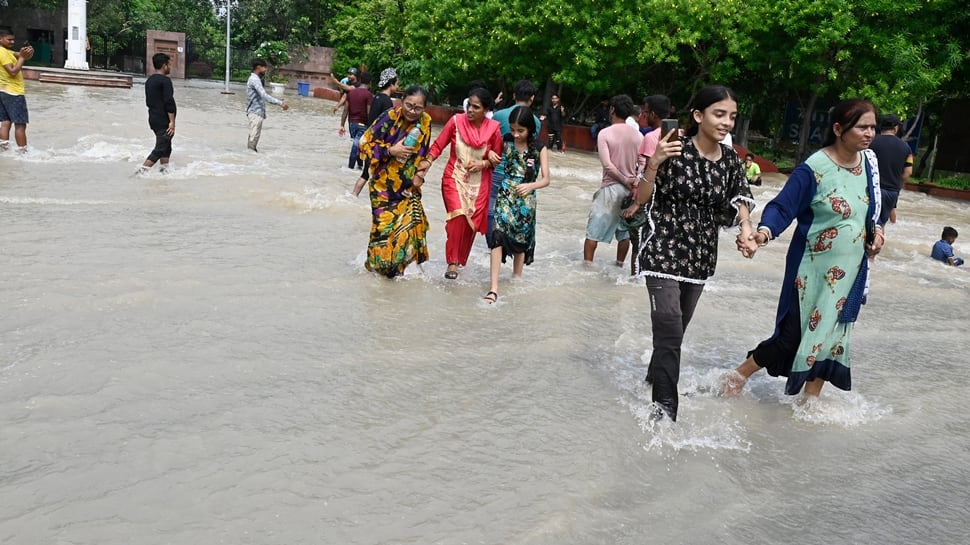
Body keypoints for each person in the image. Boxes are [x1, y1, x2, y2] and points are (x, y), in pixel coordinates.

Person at [724, 98, 885, 402]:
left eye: (873, 127)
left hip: (850, 272)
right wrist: (761, 235)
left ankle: (809, 404)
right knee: (790, 337)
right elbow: (783, 207)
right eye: (862, 127)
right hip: (810, 270)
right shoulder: (814, 168)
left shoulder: (868, 164)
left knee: (833, 336)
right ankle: (737, 375)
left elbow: (870, 211)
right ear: (838, 129)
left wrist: (876, 233)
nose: (869, 133)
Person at [634, 84, 757, 421]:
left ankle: (651, 377)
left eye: (732, 116)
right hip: (662, 249)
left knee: (676, 330)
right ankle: (664, 413)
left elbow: (741, 200)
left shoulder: (731, 160)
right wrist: (654, 163)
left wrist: (747, 231)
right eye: (719, 114)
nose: (727, 122)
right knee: (670, 327)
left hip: (700, 257)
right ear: (699, 116)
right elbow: (642, 198)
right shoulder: (673, 149)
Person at [418, 87, 503, 280]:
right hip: (454, 177)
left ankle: (461, 262)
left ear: (486, 110)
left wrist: (484, 161)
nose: (470, 110)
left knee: (469, 224)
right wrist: (426, 164)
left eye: (476, 107)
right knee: (457, 216)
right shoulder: (456, 121)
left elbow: (497, 159)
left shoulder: (494, 129)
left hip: (479, 184)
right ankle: (453, 262)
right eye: (469, 105)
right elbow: (439, 145)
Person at [357, 85, 434, 278]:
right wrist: (391, 150)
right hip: (383, 188)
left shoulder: (425, 122)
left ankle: (400, 275)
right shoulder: (389, 117)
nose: (412, 111)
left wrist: (421, 174)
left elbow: (425, 152)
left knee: (408, 230)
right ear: (402, 100)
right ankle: (374, 276)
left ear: (424, 108)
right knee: (382, 235)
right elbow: (364, 144)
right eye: (408, 105)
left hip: (408, 189)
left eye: (418, 108)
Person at [484, 106, 551, 303]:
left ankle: (516, 278)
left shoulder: (539, 148)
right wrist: (489, 155)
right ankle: (493, 288)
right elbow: (490, 152)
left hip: (526, 200)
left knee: (521, 241)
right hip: (505, 194)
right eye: (513, 129)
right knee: (497, 235)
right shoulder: (506, 140)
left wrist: (531, 186)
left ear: (530, 129)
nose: (515, 134)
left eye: (520, 130)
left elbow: (547, 179)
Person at [583, 94, 643, 266]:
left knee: (593, 232)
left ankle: (587, 267)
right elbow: (642, 163)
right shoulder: (638, 136)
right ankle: (619, 265)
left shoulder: (605, 133)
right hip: (631, 189)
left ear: (612, 110)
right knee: (623, 233)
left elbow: (608, 165)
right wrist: (634, 181)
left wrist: (624, 179)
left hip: (611, 187)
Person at [352, 67, 400, 196]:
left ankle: (353, 196)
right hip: (378, 144)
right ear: (391, 83)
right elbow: (388, 127)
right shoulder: (387, 102)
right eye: (397, 83)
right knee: (381, 175)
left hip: (369, 140)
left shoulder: (377, 97)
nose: (398, 86)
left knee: (365, 174)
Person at [135, 53, 177, 174]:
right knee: (161, 148)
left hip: (153, 118)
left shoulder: (150, 80)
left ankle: (164, 172)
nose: (170, 67)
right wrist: (172, 122)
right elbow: (169, 101)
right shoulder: (165, 81)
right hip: (164, 120)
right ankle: (140, 173)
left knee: (166, 146)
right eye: (169, 65)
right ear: (164, 66)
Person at [869, 113, 913, 225]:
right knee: (880, 225)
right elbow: (908, 173)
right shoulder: (906, 148)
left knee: (868, 224)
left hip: (871, 189)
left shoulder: (870, 142)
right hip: (891, 193)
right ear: (896, 128)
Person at [0, 27, 34, 154]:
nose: (12, 42)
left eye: (13, 40)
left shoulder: (7, 52)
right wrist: (22, 58)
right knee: (20, 125)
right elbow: (13, 72)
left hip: (3, 92)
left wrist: (27, 53)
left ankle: (3, 150)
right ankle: (23, 153)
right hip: (13, 92)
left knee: (6, 122)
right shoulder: (2, 52)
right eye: (9, 40)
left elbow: (21, 56)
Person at [246, 58, 289, 152]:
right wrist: (280, 103)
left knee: (254, 138)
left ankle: (251, 159)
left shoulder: (255, 79)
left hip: (257, 113)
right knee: (253, 140)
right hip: (255, 113)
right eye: (264, 67)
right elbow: (264, 95)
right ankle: (250, 158)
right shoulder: (254, 80)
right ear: (258, 67)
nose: (266, 70)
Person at [339, 72, 373, 169]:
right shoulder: (368, 95)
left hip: (352, 124)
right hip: (363, 124)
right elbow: (368, 113)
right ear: (370, 83)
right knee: (356, 145)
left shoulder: (351, 93)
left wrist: (342, 125)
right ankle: (350, 167)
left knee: (358, 144)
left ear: (360, 80)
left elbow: (345, 110)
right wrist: (372, 127)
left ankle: (360, 166)